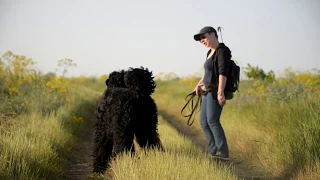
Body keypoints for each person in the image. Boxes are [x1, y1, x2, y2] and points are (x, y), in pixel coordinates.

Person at [193, 26, 232, 161]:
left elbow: (223, 72)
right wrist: (198, 85)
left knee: (212, 120)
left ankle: (223, 152)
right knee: (204, 122)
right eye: (200, 39)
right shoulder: (209, 52)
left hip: (215, 90)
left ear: (213, 34)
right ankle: (214, 151)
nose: (202, 40)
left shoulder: (222, 51)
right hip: (207, 91)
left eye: (204, 37)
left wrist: (220, 92)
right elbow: (207, 73)